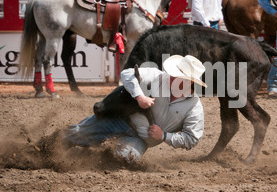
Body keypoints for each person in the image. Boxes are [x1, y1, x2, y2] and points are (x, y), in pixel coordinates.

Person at [63, 55, 206, 164]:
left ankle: (87, 156)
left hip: (140, 140)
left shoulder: (194, 107)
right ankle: (44, 149)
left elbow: (191, 138)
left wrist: (164, 136)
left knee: (125, 160)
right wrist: (139, 96)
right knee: (75, 132)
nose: (173, 77)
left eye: (179, 76)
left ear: (191, 82)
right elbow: (128, 74)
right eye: (175, 74)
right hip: (121, 120)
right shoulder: (159, 77)